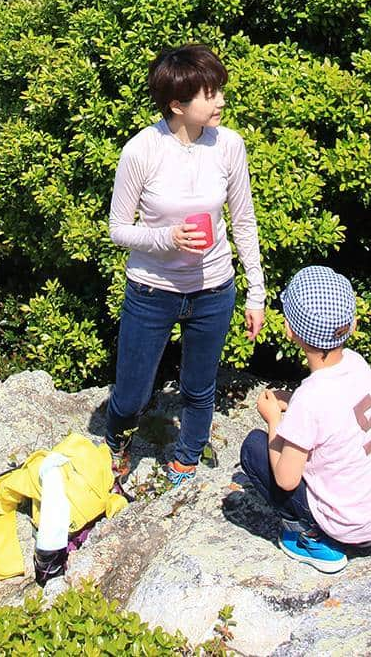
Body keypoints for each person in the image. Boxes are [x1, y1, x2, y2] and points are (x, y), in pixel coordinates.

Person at [105, 44, 265, 487]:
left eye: (219, 91)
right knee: (133, 393)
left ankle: (187, 461)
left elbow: (243, 220)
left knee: (199, 388)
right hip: (151, 290)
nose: (221, 102)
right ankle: (117, 442)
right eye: (209, 94)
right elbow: (118, 228)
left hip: (214, 288)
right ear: (177, 104)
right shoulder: (142, 150)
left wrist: (256, 292)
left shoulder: (230, 146)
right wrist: (165, 238)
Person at [240, 266, 371, 574]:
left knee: (252, 448)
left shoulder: (311, 399)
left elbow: (286, 479)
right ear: (352, 324)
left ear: (290, 330)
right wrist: (294, 400)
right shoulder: (358, 365)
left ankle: (313, 537)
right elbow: (336, 410)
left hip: (346, 528)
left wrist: (275, 419)